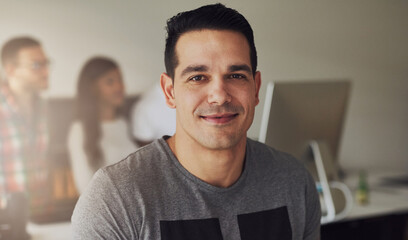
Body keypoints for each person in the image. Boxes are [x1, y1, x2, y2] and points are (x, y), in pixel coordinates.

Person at [72, 4, 321, 239]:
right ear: (170, 92)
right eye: (198, 77)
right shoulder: (114, 199)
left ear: (255, 88)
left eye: (235, 75)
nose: (219, 95)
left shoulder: (295, 182)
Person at [0, 36, 50, 239]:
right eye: (36, 65)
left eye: (46, 63)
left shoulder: (42, 107)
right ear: (11, 70)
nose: (46, 71)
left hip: (32, 217)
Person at [67, 56, 137, 194]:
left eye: (120, 80)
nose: (119, 87)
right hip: (108, 211)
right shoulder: (79, 131)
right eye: (110, 82)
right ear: (92, 88)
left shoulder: (123, 124)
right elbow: (85, 188)